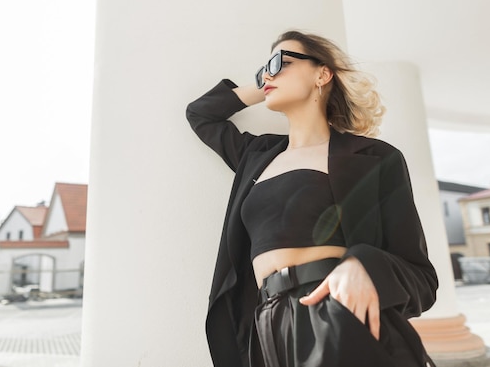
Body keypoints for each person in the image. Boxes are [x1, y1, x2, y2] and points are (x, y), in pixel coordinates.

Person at [186, 30, 438, 367]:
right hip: (266, 325)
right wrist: (266, 83)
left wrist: (364, 265)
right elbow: (201, 114)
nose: (269, 73)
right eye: (264, 68)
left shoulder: (375, 158)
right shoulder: (255, 154)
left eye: (280, 62)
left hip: (339, 312)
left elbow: (422, 277)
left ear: (322, 73)